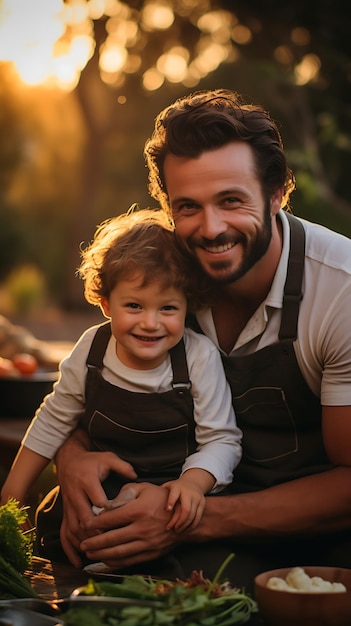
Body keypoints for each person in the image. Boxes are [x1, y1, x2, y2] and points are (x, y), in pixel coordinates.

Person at [37, 88, 351, 591]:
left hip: (300, 528)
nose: (211, 228)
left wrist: (189, 519)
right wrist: (72, 457)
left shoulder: (340, 292)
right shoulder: (167, 273)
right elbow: (88, 387)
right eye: (188, 206)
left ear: (276, 194)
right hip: (174, 507)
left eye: (231, 201)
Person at [0, 207, 242, 564]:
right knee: (53, 525)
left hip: (170, 495)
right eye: (134, 305)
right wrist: (12, 495)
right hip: (102, 491)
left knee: (199, 558)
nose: (150, 323)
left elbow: (222, 439)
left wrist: (194, 483)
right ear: (106, 303)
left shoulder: (197, 356)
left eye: (168, 308)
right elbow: (54, 419)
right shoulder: (91, 349)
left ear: (187, 305)